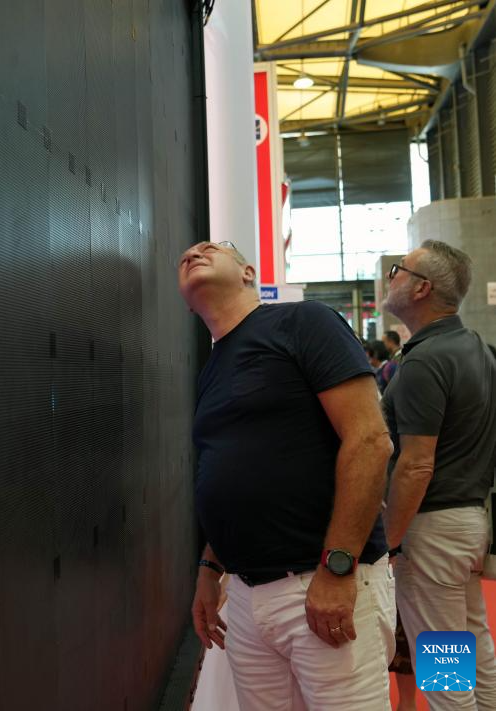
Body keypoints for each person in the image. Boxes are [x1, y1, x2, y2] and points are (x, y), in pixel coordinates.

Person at [179, 241, 395, 710]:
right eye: (186, 256)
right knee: (455, 631)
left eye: (213, 248)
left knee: (448, 634)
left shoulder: (302, 322)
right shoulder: (215, 367)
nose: (195, 252)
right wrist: (211, 566)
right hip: (249, 593)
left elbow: (373, 442)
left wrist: (339, 567)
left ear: (248, 273)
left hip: (326, 578)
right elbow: (242, 472)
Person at [381, 240, 496, 710]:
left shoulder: (426, 359)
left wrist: (387, 541)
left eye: (398, 270)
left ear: (422, 288)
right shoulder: (477, 349)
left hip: (432, 529)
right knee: (472, 647)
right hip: (465, 522)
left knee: (444, 671)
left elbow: (416, 464)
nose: (391, 278)